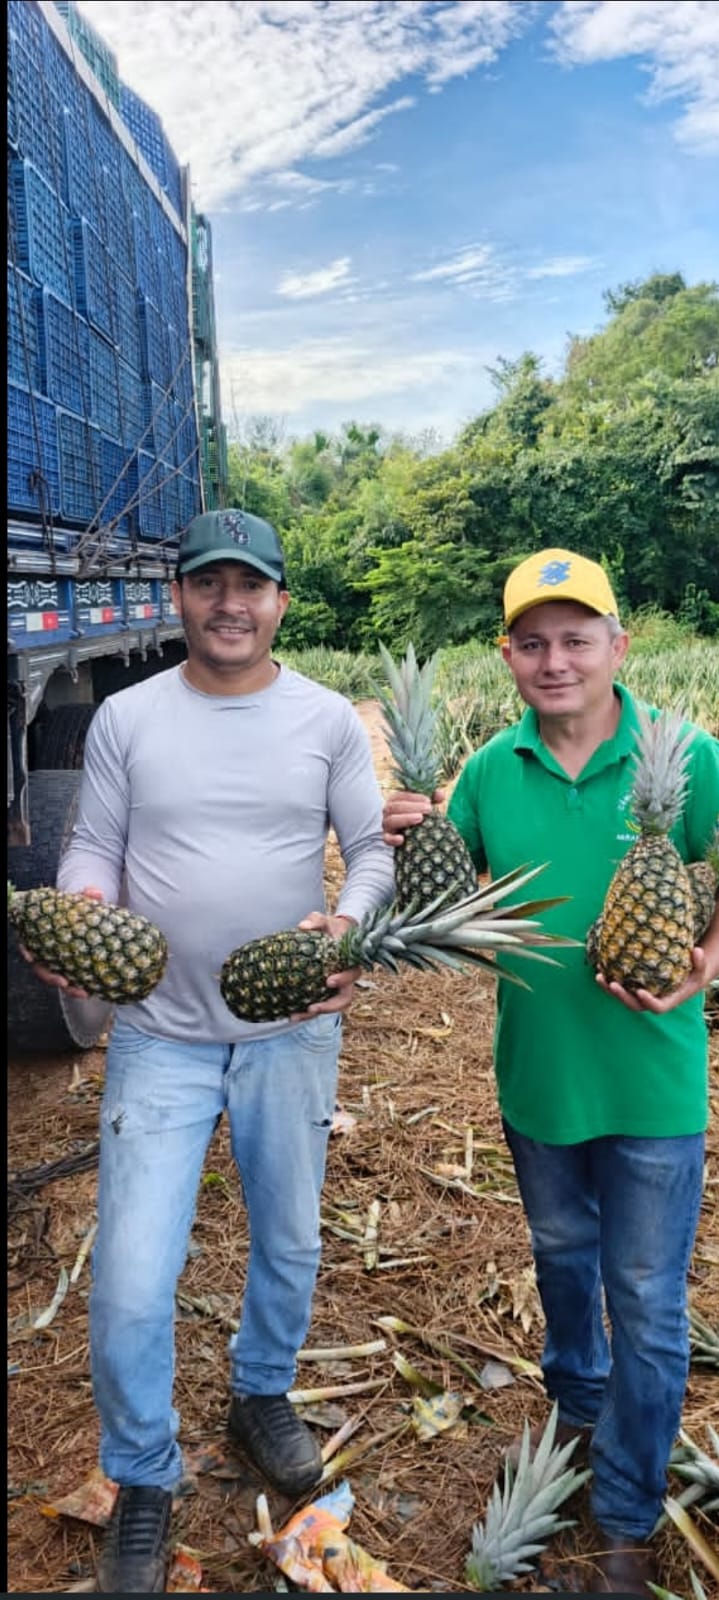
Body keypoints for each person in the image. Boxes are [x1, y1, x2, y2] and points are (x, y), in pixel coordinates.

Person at [23, 509, 394, 1594]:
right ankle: (142, 1476)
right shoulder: (130, 717)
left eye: (252, 585)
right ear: (178, 596)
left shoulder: (324, 719)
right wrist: (81, 909)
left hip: (290, 1031)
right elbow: (95, 845)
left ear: (281, 600)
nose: (230, 603)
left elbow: (367, 852)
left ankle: (258, 1392)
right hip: (158, 1037)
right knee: (133, 1278)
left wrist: (347, 925)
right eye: (208, 583)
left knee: (287, 1236)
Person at [383, 548, 719, 1597]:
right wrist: (410, 842)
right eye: (533, 641)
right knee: (566, 1268)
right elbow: (440, 918)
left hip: (656, 1088)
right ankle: (578, 1415)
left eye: (577, 638)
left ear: (619, 646)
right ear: (509, 656)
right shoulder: (490, 771)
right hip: (538, 1082)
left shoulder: (688, 755)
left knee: (651, 1305)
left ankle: (624, 1510)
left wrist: (706, 964)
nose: (556, 658)